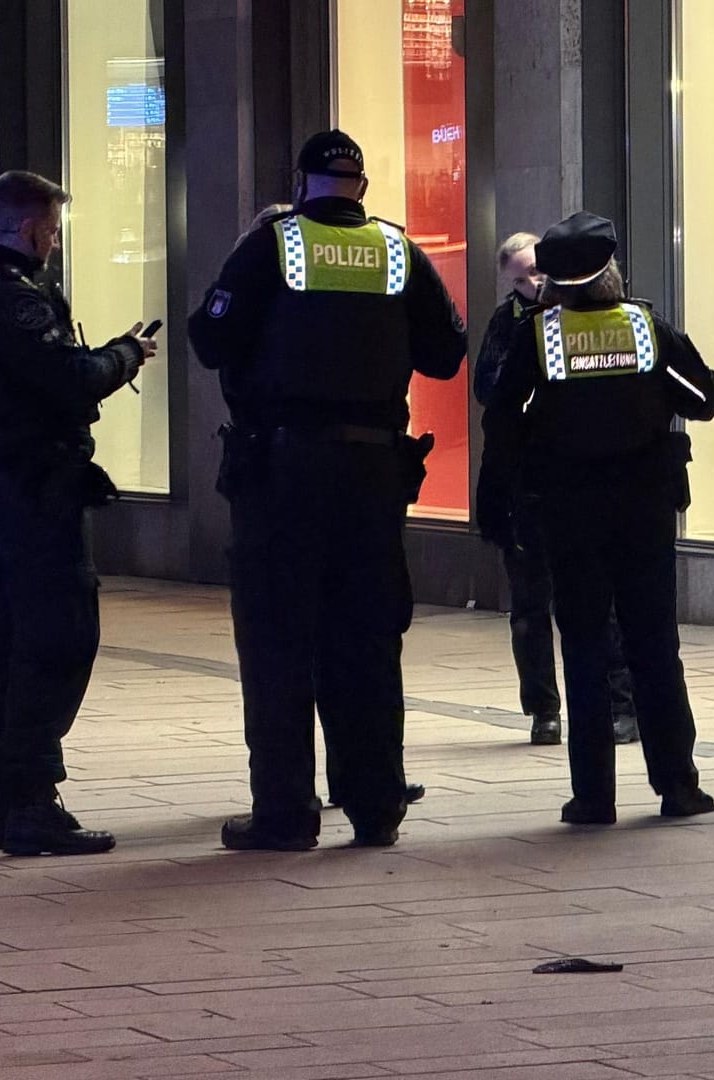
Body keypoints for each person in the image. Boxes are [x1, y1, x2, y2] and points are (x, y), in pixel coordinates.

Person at [187, 129, 466, 850]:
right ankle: (376, 807)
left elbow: (210, 340)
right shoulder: (399, 251)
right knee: (367, 638)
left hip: (283, 473)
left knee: (279, 639)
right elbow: (445, 352)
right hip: (374, 475)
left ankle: (285, 813)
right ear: (362, 189)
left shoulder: (272, 246)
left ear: (303, 182)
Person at [0, 170, 152, 856]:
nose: (54, 243)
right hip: (39, 494)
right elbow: (65, 380)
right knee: (56, 638)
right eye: (52, 230)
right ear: (30, 229)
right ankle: (31, 798)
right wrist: (125, 354)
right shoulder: (14, 301)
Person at [482, 211, 714, 824]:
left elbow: (503, 423)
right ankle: (678, 786)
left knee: (584, 646)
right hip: (643, 509)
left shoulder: (539, 337)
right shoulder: (646, 326)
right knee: (653, 646)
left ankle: (593, 797)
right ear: (610, 269)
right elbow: (704, 399)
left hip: (568, 512)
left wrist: (495, 502)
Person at [473, 232, 640, 748]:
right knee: (529, 607)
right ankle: (544, 709)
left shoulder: (614, 321)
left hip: (585, 485)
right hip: (531, 486)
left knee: (600, 604)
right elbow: (491, 396)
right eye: (521, 278)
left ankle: (618, 706)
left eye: (537, 272)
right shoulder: (510, 326)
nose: (533, 284)